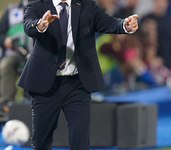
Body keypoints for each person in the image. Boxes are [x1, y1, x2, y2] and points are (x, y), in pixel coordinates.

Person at [17, 0, 138, 149]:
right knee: (41, 141)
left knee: (80, 138)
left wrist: (124, 25)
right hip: (45, 85)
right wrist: (40, 25)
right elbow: (28, 26)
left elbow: (107, 22)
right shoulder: (37, 5)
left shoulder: (87, 5)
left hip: (77, 84)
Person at [0, 0, 32, 116]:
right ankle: (6, 103)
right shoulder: (11, 10)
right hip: (15, 53)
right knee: (6, 64)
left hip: (36, 54)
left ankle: (34, 101)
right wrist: (7, 40)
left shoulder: (45, 7)